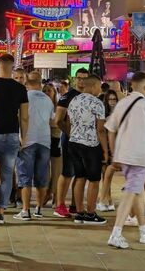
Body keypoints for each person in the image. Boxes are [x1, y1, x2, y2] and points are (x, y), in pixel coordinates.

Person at [106, 72, 145, 249]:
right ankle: (116, 233)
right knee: (131, 192)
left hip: (125, 155)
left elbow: (110, 129)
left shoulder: (121, 104)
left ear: (131, 85)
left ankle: (143, 230)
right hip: (143, 156)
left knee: (137, 191)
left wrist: (114, 153)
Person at [0, 54, 28, 224]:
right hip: (12, 135)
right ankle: (1, 210)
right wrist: (24, 137)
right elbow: (24, 117)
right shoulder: (20, 89)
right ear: (12, 65)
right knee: (7, 174)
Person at [67, 75, 108, 225]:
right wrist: (105, 150)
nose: (100, 89)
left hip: (74, 142)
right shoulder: (97, 103)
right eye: (99, 86)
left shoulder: (74, 100)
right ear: (93, 86)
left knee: (79, 177)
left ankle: (79, 212)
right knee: (94, 179)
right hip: (90, 144)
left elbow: (70, 122)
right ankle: (91, 213)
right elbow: (101, 129)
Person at [13, 72, 54, 220]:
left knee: (25, 177)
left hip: (27, 140)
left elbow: (19, 117)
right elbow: (52, 120)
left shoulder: (23, 97)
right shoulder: (48, 100)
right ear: (40, 83)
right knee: (41, 177)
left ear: (26, 82)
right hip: (44, 141)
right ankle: (39, 208)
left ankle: (25, 210)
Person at [53, 68, 89, 218]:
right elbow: (58, 120)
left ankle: (75, 205)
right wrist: (70, 134)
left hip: (84, 140)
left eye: (84, 78)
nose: (81, 81)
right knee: (67, 172)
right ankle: (60, 205)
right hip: (70, 140)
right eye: (79, 78)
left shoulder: (88, 96)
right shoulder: (67, 96)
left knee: (80, 174)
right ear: (74, 79)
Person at [97, 90, 119, 212]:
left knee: (108, 174)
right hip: (105, 146)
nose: (112, 102)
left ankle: (106, 200)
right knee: (106, 174)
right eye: (110, 99)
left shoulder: (120, 114)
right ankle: (106, 200)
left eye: (114, 99)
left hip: (115, 146)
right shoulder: (103, 113)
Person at [42, 83, 62, 207]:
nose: (46, 93)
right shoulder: (41, 105)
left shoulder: (58, 107)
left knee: (56, 170)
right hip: (44, 139)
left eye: (49, 90)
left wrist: (49, 122)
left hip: (56, 139)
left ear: (54, 93)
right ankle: (47, 193)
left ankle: (55, 194)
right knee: (44, 169)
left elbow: (58, 122)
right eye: (44, 90)